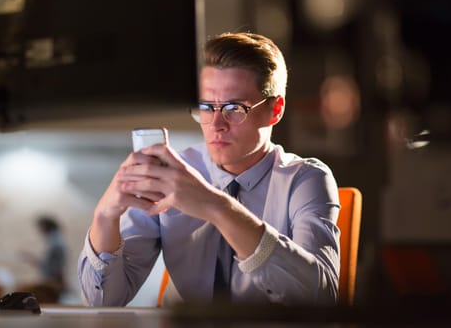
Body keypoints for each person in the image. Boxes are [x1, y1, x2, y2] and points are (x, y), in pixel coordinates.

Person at [77, 32, 341, 306]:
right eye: (206, 107)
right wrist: (105, 216)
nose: (216, 124)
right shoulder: (174, 175)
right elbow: (103, 301)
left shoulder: (305, 179)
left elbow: (321, 299)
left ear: (275, 110)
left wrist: (217, 207)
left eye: (234, 108)